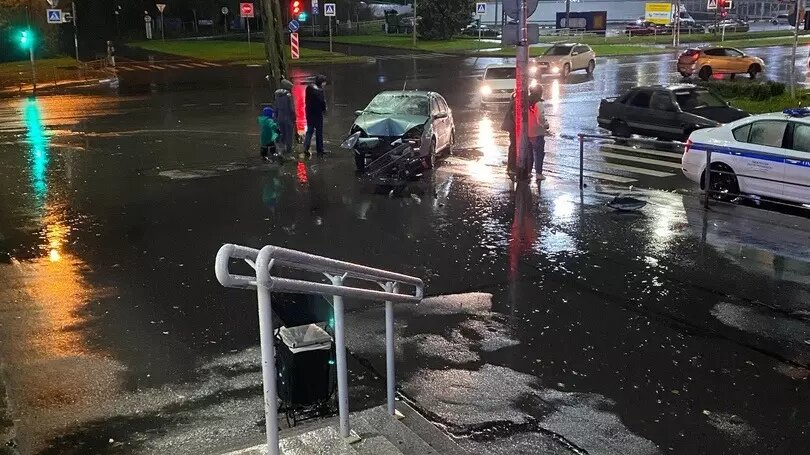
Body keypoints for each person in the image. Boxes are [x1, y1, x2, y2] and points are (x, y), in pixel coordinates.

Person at [526, 86, 550, 181]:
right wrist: (545, 124)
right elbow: (540, 117)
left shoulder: (526, 102)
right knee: (539, 153)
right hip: (536, 131)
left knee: (529, 153)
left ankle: (528, 172)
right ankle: (538, 173)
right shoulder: (538, 103)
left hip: (527, 131)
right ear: (540, 92)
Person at [303, 74, 327, 156]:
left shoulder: (309, 88)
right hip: (317, 114)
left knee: (309, 131)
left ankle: (305, 147)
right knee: (319, 132)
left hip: (309, 113)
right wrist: (324, 110)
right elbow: (322, 102)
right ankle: (320, 149)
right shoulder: (319, 91)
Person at [274, 78, 297, 157]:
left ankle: (281, 150)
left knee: (282, 134)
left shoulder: (277, 95)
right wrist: (294, 117)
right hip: (288, 118)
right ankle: (289, 151)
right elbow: (291, 108)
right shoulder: (288, 96)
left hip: (280, 118)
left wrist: (276, 117)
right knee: (289, 135)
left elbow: (276, 107)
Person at [500, 91, 517, 178]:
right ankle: (511, 167)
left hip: (512, 127)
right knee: (514, 146)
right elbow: (514, 116)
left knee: (513, 146)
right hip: (513, 128)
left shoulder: (513, 100)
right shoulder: (515, 102)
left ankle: (511, 166)